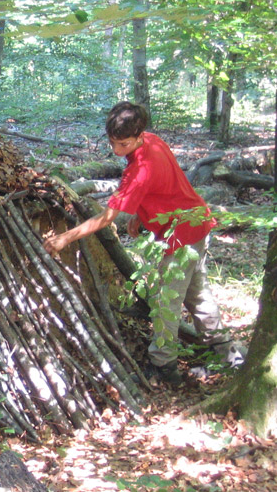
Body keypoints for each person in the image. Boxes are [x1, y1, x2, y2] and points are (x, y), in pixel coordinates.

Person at [42, 101, 246, 385]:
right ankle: (226, 353)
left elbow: (106, 217)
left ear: (138, 136)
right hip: (197, 222)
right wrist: (141, 212)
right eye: (113, 142)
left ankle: (163, 366)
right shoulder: (152, 141)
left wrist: (66, 237)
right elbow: (163, 185)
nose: (116, 150)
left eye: (123, 144)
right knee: (198, 295)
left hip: (181, 237)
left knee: (166, 301)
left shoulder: (138, 171)